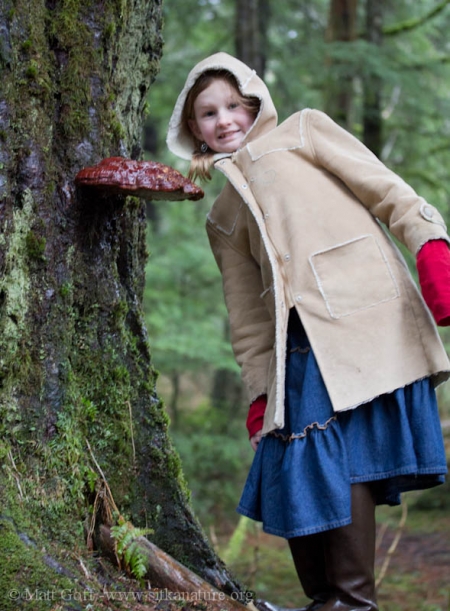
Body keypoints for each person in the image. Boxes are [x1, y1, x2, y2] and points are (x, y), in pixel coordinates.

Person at [166, 52, 450, 611]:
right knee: (296, 465)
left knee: (341, 459)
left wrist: (431, 248)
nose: (224, 120)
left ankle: (352, 601)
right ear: (192, 129)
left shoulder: (305, 131)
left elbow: (387, 191)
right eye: (207, 114)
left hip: (365, 320)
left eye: (232, 105)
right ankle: (327, 600)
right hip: (294, 351)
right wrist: (258, 391)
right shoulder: (221, 215)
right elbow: (246, 316)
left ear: (254, 101)